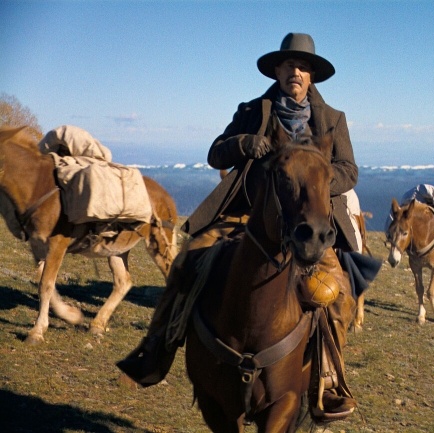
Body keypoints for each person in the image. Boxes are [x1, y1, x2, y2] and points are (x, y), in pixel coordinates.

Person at [118, 33, 379, 422]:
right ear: (277, 71)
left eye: (303, 67)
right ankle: (157, 347)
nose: (296, 72)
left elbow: (349, 170)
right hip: (246, 215)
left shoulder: (332, 119)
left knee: (337, 291)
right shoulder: (253, 109)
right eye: (289, 65)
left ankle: (327, 379)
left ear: (312, 76)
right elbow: (215, 153)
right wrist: (243, 143)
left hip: (307, 223)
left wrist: (317, 179)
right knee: (188, 260)